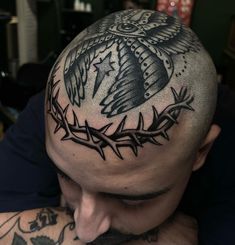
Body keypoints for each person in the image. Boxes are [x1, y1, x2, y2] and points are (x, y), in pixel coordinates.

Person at [0, 9, 234, 245]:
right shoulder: (56, 108)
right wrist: (153, 238)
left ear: (200, 152)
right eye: (66, 177)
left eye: (131, 201)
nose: (85, 230)